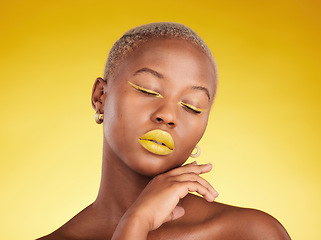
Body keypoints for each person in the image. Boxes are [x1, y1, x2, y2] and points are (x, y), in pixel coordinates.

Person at [38, 22, 291, 240]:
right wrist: (135, 224)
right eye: (148, 90)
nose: (168, 116)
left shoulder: (250, 233)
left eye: (192, 107)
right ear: (100, 97)